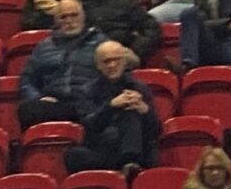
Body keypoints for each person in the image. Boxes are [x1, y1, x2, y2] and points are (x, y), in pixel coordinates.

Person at [66, 41, 162, 174]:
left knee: (130, 112)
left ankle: (129, 163)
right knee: (73, 155)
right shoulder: (87, 91)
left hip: (136, 148)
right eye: (106, 61)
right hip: (103, 147)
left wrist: (145, 110)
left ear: (124, 62)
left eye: (116, 60)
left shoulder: (139, 88)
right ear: (98, 65)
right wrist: (111, 106)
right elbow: (89, 126)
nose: (112, 65)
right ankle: (124, 167)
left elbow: (156, 131)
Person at [18, 0, 108, 130]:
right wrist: (39, 98)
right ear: (56, 20)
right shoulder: (43, 47)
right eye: (63, 17)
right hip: (55, 105)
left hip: (90, 104)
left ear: (83, 16)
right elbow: (27, 81)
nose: (69, 21)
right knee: (27, 109)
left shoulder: (101, 43)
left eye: (74, 15)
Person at [82, 0, 159, 64]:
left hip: (121, 53)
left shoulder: (128, 1)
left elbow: (150, 27)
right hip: (88, 53)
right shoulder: (79, 3)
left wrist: (136, 50)